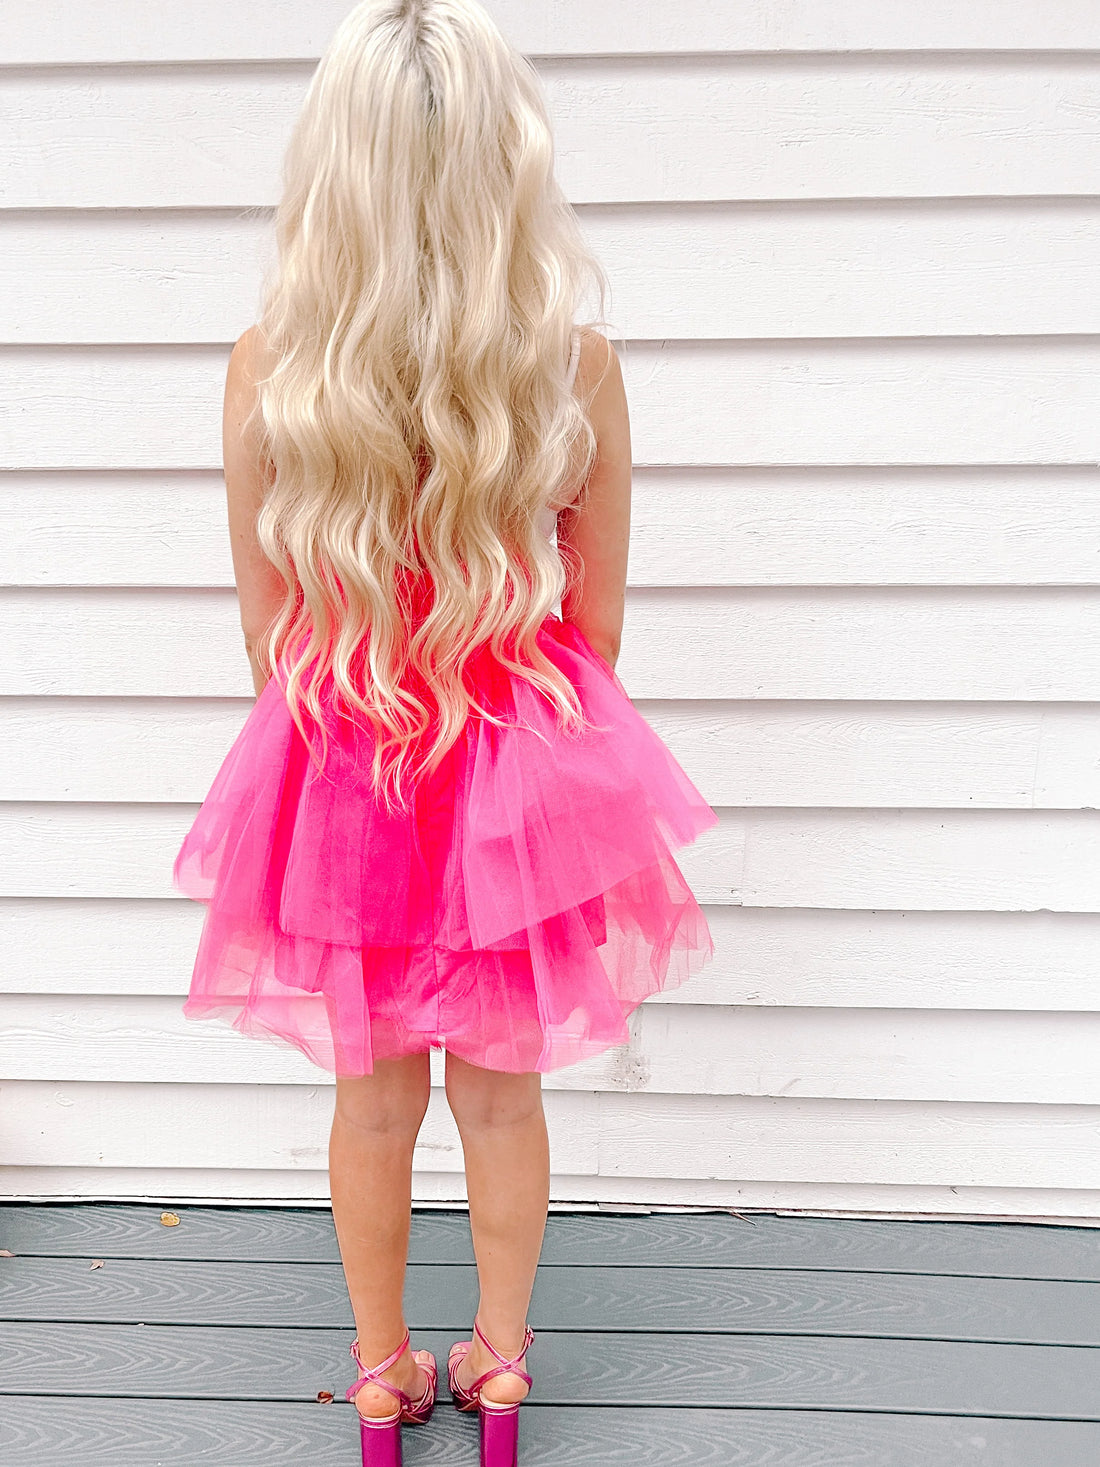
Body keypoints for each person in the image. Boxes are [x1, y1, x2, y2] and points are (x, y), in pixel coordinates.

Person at [172, 2, 718, 1462]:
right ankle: (503, 1365)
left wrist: (367, 710)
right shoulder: (573, 368)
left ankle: (376, 1375)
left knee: (371, 1104)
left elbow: (267, 633)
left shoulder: (271, 368)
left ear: (334, 169)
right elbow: (597, 632)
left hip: (348, 757)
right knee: (501, 1094)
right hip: (510, 767)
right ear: (502, 168)